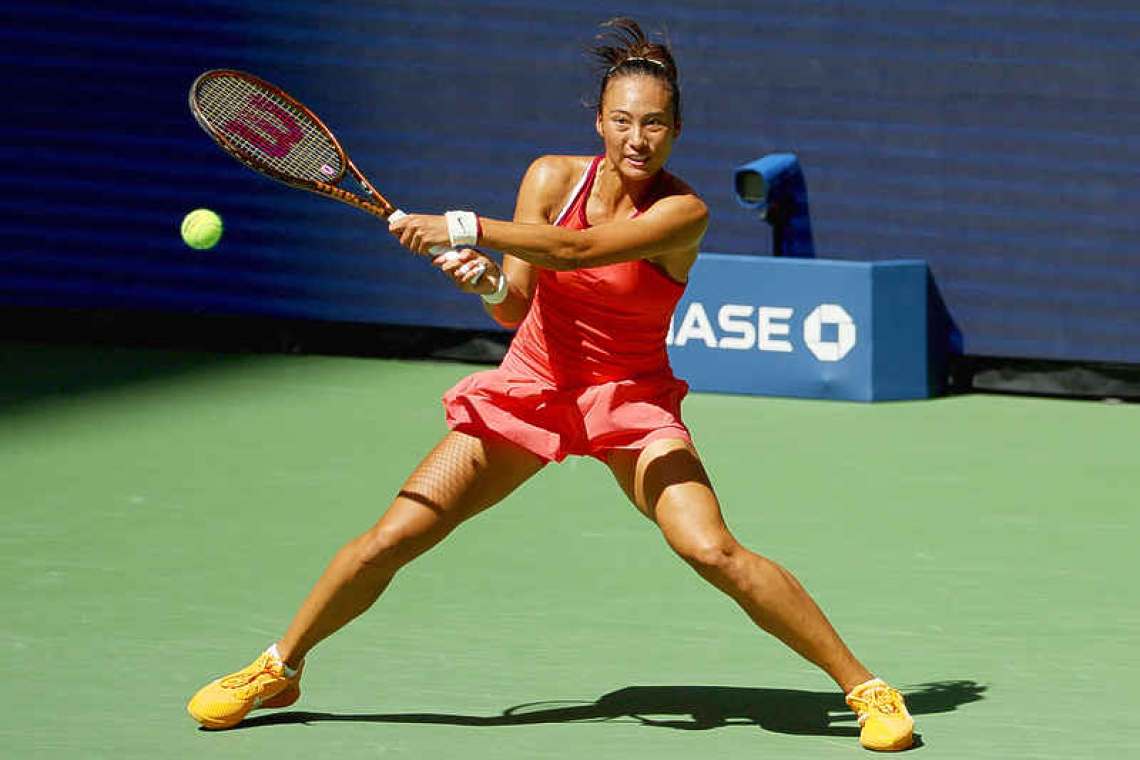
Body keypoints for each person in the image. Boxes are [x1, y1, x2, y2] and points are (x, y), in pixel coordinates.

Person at [187, 18, 914, 752]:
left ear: (677, 130)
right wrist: (482, 279)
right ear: (599, 121)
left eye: (654, 124)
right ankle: (278, 668)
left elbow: (576, 249)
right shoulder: (549, 178)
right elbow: (516, 304)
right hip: (532, 388)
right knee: (392, 537)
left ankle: (865, 687)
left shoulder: (681, 212)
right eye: (622, 121)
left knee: (710, 549)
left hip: (628, 400)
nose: (637, 138)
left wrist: (464, 227)